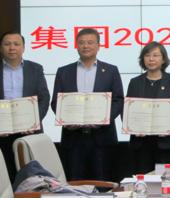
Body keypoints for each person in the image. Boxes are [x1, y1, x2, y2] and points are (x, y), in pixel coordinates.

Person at [51, 28, 125, 181]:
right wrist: (67, 120)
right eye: (82, 42)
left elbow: (118, 100)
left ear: (98, 46)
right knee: (75, 183)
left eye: (90, 42)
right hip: (73, 139)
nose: (86, 46)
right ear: (77, 46)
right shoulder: (63, 72)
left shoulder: (111, 70)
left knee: (103, 183)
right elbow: (56, 102)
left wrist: (103, 119)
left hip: (102, 138)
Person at [0, 31, 51, 172]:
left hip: (29, 133)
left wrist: (34, 122)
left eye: (16, 44)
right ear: (1, 48)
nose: (12, 48)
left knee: (31, 173)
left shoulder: (35, 69)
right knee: (3, 172)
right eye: (7, 44)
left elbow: (44, 99)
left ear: (23, 48)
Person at [126, 42, 170, 174]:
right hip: (141, 143)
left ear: (163, 59)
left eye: (155, 55)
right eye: (147, 55)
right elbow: (127, 109)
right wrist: (133, 127)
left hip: (166, 143)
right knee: (143, 178)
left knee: (165, 179)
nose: (151, 59)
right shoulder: (135, 82)